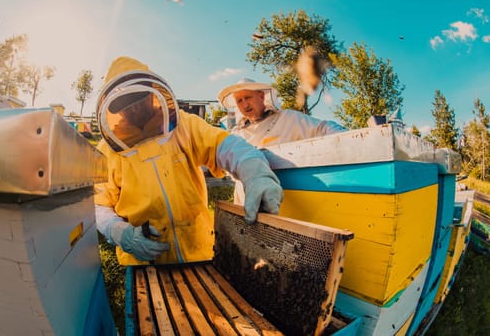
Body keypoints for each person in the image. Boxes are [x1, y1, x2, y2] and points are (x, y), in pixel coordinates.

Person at [94, 57, 283, 266]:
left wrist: (254, 170)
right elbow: (98, 204)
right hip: (144, 263)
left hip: (199, 251)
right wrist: (120, 233)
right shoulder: (107, 151)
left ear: (152, 93)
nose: (135, 110)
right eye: (125, 106)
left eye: (139, 100)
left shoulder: (185, 125)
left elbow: (226, 146)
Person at [217, 77, 346, 204]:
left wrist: (351, 137)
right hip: (245, 205)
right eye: (239, 100)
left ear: (261, 96)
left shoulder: (288, 119)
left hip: (286, 204)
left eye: (248, 97)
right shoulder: (236, 134)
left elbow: (323, 128)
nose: (245, 104)